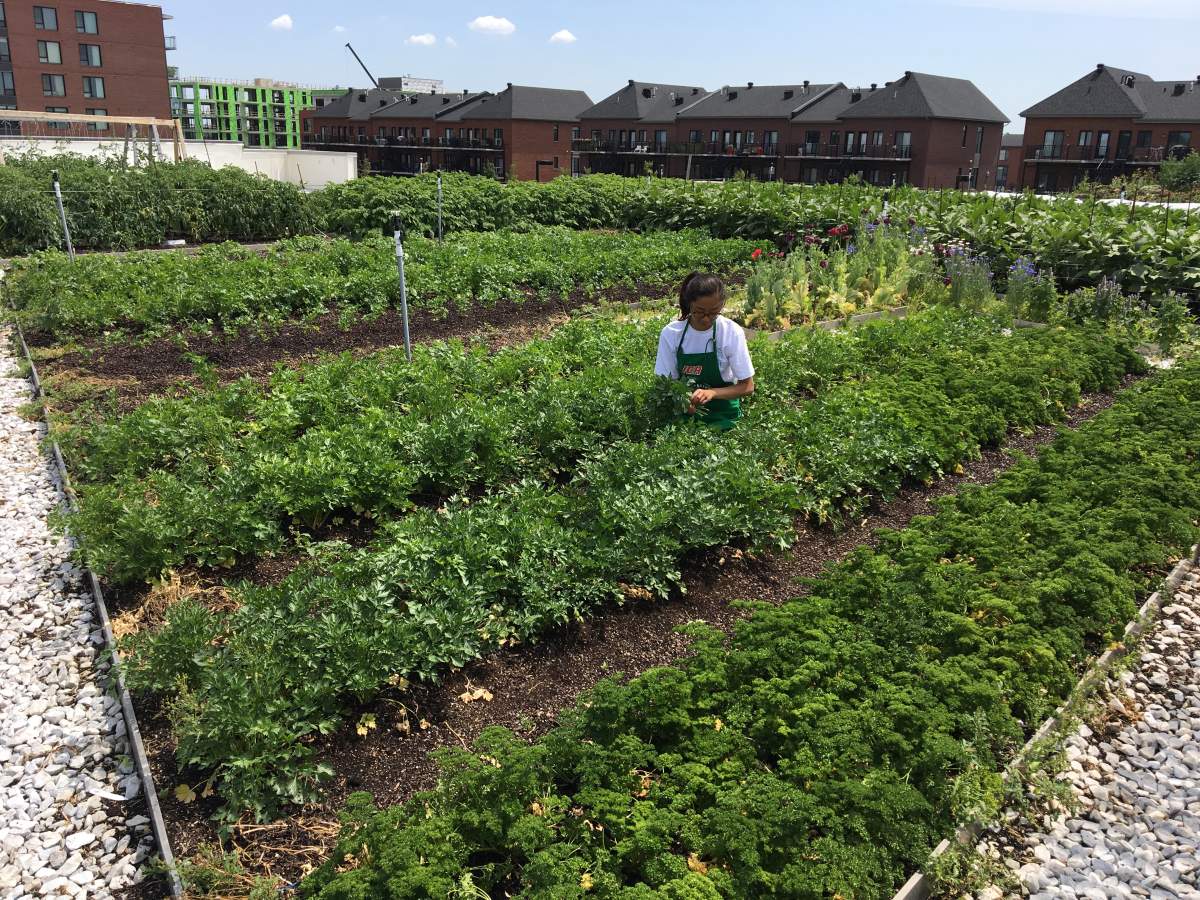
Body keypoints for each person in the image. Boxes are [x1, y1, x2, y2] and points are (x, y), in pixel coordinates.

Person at [654, 272, 755, 430]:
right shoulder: (671, 334)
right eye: (699, 312)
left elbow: (747, 387)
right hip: (685, 412)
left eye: (714, 312)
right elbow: (665, 384)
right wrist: (683, 398)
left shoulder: (730, 332)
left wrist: (713, 393)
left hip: (724, 413)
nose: (706, 318)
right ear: (689, 304)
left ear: (722, 306)